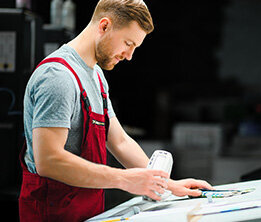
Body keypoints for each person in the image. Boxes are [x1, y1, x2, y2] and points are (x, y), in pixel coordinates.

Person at [19, 0, 213, 221]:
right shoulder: (58, 77)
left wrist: (167, 184)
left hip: (86, 211)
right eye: (128, 43)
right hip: (52, 213)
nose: (129, 55)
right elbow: (49, 160)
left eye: (135, 48)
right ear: (104, 26)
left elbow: (119, 140)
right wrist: (125, 179)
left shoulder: (96, 76)